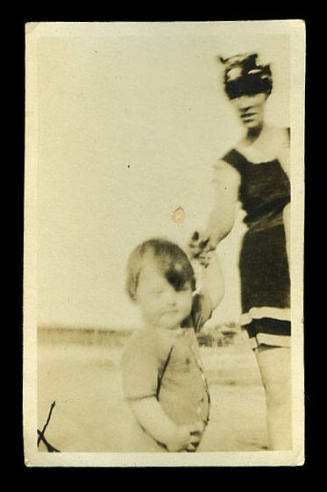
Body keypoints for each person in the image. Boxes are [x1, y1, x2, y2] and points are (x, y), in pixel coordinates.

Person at [189, 53, 291, 450]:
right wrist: (207, 235)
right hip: (266, 274)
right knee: (281, 394)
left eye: (251, 90)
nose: (244, 102)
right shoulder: (230, 163)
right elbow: (222, 216)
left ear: (266, 90)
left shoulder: (292, 138)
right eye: (235, 94)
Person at [121, 238, 224, 452]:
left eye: (180, 290)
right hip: (156, 447)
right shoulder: (145, 342)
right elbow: (141, 399)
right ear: (135, 294)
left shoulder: (186, 323)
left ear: (191, 289)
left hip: (183, 445)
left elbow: (214, 292)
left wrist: (209, 257)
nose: (170, 300)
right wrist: (171, 435)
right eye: (157, 293)